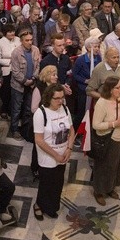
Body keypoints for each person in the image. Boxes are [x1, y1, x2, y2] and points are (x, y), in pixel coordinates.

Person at [32, 83, 74, 220]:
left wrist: (69, 149)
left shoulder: (65, 109)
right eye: (57, 98)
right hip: (48, 155)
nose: (60, 101)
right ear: (49, 98)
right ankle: (39, 205)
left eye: (62, 97)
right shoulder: (41, 113)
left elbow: (71, 131)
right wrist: (56, 155)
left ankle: (51, 207)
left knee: (58, 182)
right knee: (46, 182)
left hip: (63, 154)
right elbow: (39, 140)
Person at [91, 76, 120, 205]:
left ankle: (110, 188)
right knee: (104, 166)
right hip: (107, 138)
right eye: (118, 87)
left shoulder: (119, 99)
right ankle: (99, 191)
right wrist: (113, 124)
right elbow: (96, 125)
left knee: (115, 165)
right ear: (111, 89)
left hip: (119, 136)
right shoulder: (102, 103)